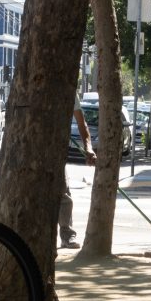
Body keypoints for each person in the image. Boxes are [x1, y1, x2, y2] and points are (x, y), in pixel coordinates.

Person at [60, 91, 96, 249]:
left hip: (56, 153)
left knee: (64, 196)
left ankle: (67, 235)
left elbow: (82, 123)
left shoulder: (68, 91)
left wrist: (88, 148)